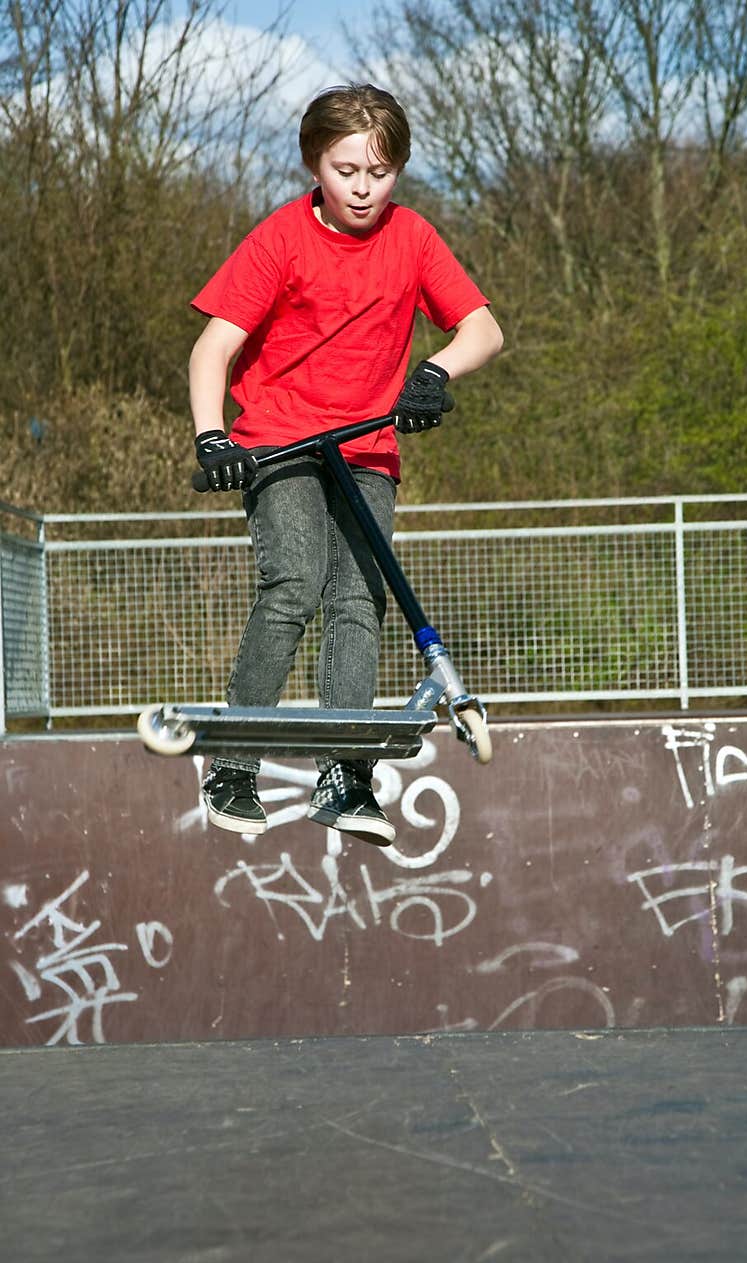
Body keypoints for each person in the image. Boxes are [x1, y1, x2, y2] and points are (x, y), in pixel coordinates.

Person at [188, 82, 503, 847]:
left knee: (361, 598)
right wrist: (212, 437)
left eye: (380, 172)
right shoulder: (281, 239)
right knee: (295, 580)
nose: (364, 187)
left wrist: (435, 375)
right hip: (280, 440)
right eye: (347, 170)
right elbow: (214, 347)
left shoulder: (413, 238)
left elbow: (483, 329)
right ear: (314, 165)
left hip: (366, 445)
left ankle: (346, 772)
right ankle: (233, 762)